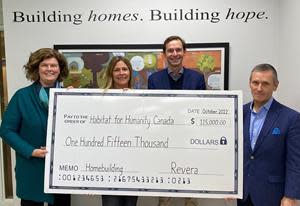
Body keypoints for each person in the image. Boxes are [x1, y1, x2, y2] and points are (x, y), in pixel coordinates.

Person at [0, 48, 71, 206]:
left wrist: (75, 101)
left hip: (62, 170)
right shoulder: (22, 96)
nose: (49, 69)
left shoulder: (68, 96)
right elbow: (6, 130)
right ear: (36, 68)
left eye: (54, 65)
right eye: (44, 65)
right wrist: (31, 151)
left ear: (60, 69)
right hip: (32, 167)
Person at [148, 36, 206, 206]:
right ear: (164, 54)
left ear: (184, 52)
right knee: (164, 199)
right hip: (164, 145)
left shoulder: (197, 78)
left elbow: (202, 110)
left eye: (178, 50)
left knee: (191, 198)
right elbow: (152, 112)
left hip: (190, 145)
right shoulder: (154, 79)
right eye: (170, 50)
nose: (174, 54)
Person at [238, 63, 300, 206]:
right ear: (250, 83)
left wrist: (291, 195)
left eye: (265, 83)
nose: (259, 88)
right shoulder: (239, 113)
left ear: (275, 86)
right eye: (255, 83)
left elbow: (295, 162)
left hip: (272, 195)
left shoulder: (291, 118)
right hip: (244, 194)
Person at [101, 56, 137, 206]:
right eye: (116, 69)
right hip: (108, 166)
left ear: (130, 72)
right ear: (111, 73)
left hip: (134, 165)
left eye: (124, 69)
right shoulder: (100, 98)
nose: (121, 73)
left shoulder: (141, 98)